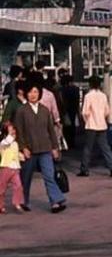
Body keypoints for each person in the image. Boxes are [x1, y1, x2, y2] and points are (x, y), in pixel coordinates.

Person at [12, 80, 67, 214]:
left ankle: (55, 201)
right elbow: (18, 131)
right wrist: (23, 147)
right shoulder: (21, 111)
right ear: (26, 94)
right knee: (26, 177)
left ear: (40, 94)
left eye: (36, 92)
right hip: (29, 150)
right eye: (30, 92)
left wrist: (55, 148)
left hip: (45, 148)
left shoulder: (44, 110)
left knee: (49, 175)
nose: (33, 95)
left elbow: (51, 130)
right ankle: (24, 201)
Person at [78, 76, 112, 178]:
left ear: (90, 84)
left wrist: (86, 121)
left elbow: (85, 112)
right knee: (105, 148)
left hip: (91, 125)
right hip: (102, 125)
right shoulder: (103, 96)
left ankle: (84, 169)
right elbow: (107, 111)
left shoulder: (88, 96)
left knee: (88, 148)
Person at [0, 121, 26, 214]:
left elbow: (16, 153)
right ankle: (0, 205)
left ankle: (17, 203)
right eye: (10, 130)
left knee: (18, 186)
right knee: (2, 188)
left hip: (15, 168)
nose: (13, 132)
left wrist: (21, 156)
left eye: (14, 130)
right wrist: (11, 136)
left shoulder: (15, 143)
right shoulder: (3, 142)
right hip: (6, 167)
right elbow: (7, 143)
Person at [59, 73, 80, 149]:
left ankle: (66, 142)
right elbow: (77, 100)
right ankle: (72, 142)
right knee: (72, 126)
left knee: (66, 127)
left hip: (65, 109)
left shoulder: (62, 90)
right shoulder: (76, 89)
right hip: (73, 109)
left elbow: (62, 100)